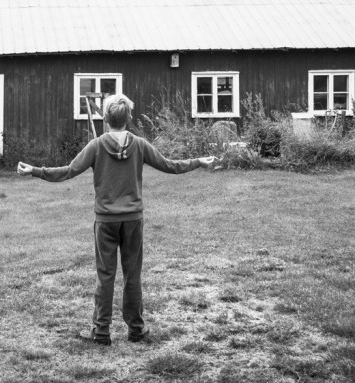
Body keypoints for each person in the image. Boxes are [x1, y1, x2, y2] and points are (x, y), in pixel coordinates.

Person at [17, 94, 217, 345]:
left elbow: (69, 171)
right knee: (132, 275)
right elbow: (169, 165)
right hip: (133, 220)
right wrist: (198, 161)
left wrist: (34, 171)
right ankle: (136, 329)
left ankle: (101, 332)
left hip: (106, 221)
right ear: (129, 118)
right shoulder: (140, 144)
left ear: (105, 119)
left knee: (105, 276)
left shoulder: (96, 145)